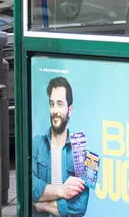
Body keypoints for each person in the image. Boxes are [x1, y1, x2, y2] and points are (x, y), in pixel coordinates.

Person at [32, 77, 89, 216]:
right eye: (52, 104)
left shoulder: (80, 151)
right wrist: (61, 190)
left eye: (60, 104)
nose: (55, 110)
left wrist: (43, 205)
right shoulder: (36, 144)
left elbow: (80, 206)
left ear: (70, 109)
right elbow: (29, 186)